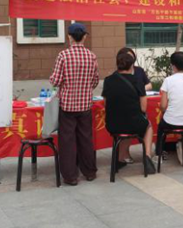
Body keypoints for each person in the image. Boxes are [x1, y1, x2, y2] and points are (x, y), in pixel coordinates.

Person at [49, 23, 99, 186]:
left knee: (67, 142)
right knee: (86, 139)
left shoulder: (63, 55)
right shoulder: (91, 56)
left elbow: (56, 81)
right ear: (84, 37)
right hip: (85, 105)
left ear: (69, 37)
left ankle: (70, 176)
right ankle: (90, 172)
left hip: (67, 106)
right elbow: (95, 81)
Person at [101, 51, 157, 175]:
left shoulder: (108, 80)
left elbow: (105, 103)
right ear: (132, 66)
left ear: (117, 65)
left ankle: (120, 159)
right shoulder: (137, 81)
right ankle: (147, 157)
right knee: (148, 126)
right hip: (133, 124)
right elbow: (143, 108)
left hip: (113, 125)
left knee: (125, 127)